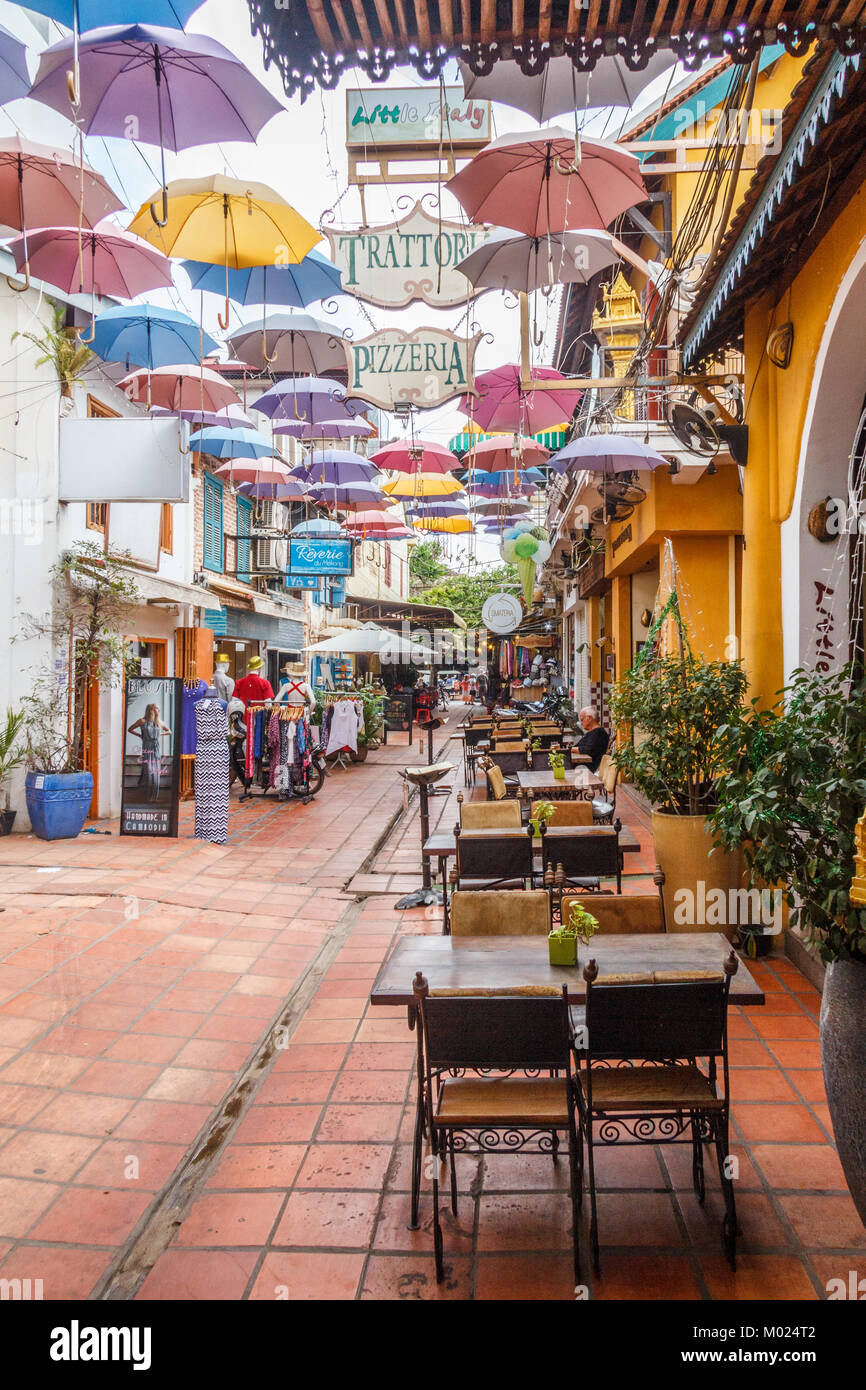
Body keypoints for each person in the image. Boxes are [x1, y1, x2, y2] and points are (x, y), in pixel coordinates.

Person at [128, 703, 171, 802]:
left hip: (156, 748)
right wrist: (140, 735)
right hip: (147, 748)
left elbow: (169, 731)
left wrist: (160, 733)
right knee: (148, 770)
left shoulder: (159, 722)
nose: (158, 710)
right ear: (151, 710)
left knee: (155, 772)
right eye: (157, 708)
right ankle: (145, 796)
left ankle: (154, 797)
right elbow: (130, 729)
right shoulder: (142, 721)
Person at [575, 706, 609, 773]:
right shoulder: (592, 732)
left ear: (589, 718)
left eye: (582, 720)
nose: (581, 723)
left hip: (588, 769)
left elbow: (588, 750)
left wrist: (571, 749)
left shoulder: (599, 732)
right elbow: (578, 746)